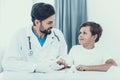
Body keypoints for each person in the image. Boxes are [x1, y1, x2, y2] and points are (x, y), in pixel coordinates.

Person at [2, 2, 67, 73]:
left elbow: (63, 56)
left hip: (51, 76)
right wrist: (34, 67)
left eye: (53, 22)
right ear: (37, 22)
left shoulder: (58, 35)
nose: (53, 26)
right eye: (49, 23)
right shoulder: (20, 35)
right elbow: (8, 63)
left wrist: (61, 61)